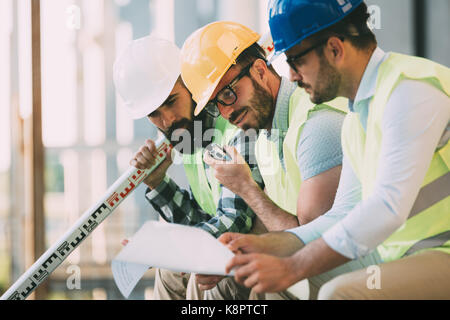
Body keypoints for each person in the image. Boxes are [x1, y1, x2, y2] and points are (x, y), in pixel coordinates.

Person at [221, 0, 450, 299]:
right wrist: (267, 245)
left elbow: (387, 209)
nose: (291, 76)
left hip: (440, 251)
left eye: (296, 61)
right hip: (400, 253)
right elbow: (339, 215)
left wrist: (294, 267)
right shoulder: (357, 116)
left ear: (334, 49)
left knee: (337, 293)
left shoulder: (408, 89)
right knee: (272, 284)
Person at [180, 21, 351, 299]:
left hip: (349, 261)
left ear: (260, 70)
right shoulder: (261, 136)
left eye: (227, 93)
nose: (226, 112)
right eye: (216, 104)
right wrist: (236, 248)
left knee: (266, 286)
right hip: (314, 253)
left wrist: (246, 188)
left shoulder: (315, 126)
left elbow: (313, 243)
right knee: (212, 283)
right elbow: (277, 224)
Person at [113, 35, 266, 300]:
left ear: (192, 85)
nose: (168, 120)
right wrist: (159, 182)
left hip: (267, 247)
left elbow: (234, 224)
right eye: (154, 114)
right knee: (168, 272)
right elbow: (202, 223)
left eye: (172, 101)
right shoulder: (193, 137)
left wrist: (167, 247)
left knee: (203, 277)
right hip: (236, 246)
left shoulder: (235, 125)